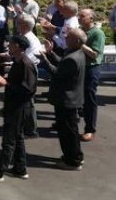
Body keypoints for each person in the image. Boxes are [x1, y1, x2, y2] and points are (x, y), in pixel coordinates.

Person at [0, 35, 37, 184]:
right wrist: (5, 84)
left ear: (18, 46)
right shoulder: (18, 62)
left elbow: (28, 89)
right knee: (18, 138)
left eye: (11, 43)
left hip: (19, 108)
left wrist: (6, 84)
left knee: (9, 141)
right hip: (14, 106)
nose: (8, 46)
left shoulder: (26, 64)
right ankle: (20, 168)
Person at [42, 28, 87, 171]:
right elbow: (62, 63)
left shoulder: (73, 58)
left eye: (69, 37)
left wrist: (44, 59)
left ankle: (72, 161)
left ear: (77, 41)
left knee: (67, 133)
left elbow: (57, 72)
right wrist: (50, 54)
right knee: (71, 131)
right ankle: (76, 156)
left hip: (67, 100)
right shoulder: (76, 54)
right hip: (70, 100)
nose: (65, 38)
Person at [78, 9, 105, 142]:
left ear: (91, 19)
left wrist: (80, 44)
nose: (79, 18)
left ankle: (90, 130)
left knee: (89, 99)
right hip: (79, 67)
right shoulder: (80, 30)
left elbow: (95, 54)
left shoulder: (97, 33)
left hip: (91, 68)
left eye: (82, 16)